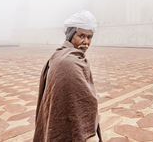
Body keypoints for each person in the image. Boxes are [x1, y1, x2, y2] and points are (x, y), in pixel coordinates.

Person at [34, 10, 102, 142]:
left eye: (89, 37)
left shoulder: (61, 55)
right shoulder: (68, 62)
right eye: (81, 36)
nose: (85, 42)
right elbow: (83, 102)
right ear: (71, 35)